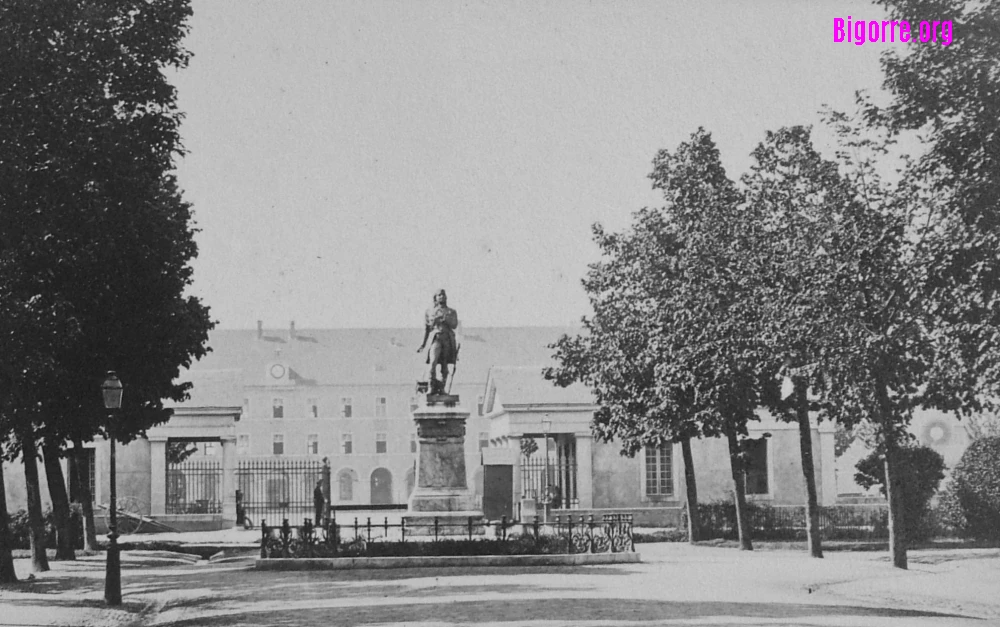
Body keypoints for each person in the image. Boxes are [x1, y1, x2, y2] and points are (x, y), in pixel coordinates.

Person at [416, 289, 459, 394]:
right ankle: (431, 386)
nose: (441, 297)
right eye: (439, 295)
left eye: (443, 295)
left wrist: (445, 320)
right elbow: (427, 329)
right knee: (433, 362)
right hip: (436, 338)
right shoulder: (430, 311)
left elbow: (454, 325)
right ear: (435, 298)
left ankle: (443, 388)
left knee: (444, 364)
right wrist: (423, 344)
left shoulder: (451, 311)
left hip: (447, 339)